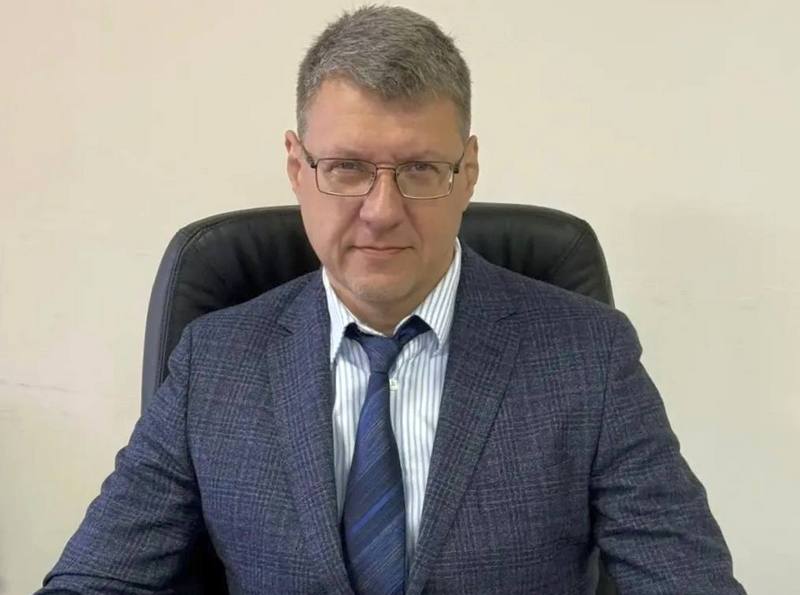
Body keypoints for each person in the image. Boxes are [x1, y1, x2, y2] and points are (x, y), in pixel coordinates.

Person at [39, 6, 745, 594]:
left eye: (420, 169)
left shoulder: (589, 357)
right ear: (297, 167)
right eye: (347, 167)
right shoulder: (215, 362)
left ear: (468, 171)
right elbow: (98, 577)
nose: (381, 211)